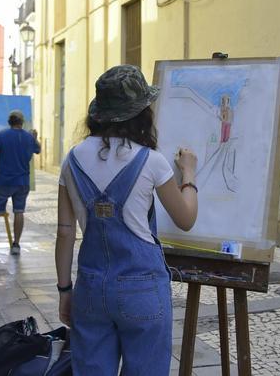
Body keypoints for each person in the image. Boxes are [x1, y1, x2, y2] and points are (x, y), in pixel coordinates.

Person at [55, 65, 199, 375]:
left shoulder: (72, 160)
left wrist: (65, 290)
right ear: (140, 113)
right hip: (142, 290)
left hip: (91, 288)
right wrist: (188, 173)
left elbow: (65, 233)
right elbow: (185, 218)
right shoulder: (152, 161)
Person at [0, 110, 41, 255]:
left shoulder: (2, 136)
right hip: (23, 181)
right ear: (22, 122)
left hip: (4, 181)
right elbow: (38, 150)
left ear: (9, 122)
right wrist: (35, 138)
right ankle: (16, 245)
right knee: (19, 212)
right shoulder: (28, 137)